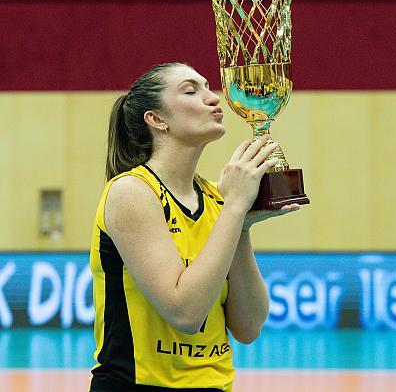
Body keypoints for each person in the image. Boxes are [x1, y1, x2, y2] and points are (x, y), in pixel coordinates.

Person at [89, 63, 300, 391]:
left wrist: (241, 226)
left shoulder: (218, 199)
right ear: (157, 120)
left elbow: (248, 327)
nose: (213, 98)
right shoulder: (132, 191)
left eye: (207, 87)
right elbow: (186, 313)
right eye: (191, 91)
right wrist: (233, 208)